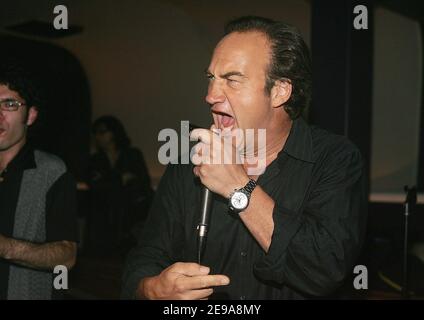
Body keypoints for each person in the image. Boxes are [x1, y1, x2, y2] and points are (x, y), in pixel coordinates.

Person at [122, 16, 366, 299]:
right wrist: (152, 289)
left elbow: (324, 269)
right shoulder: (187, 161)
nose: (211, 95)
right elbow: (145, 257)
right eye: (211, 78)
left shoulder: (335, 159)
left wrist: (239, 188)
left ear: (279, 91)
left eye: (232, 80)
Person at [0, 61, 78, 299]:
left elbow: (67, 257)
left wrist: (4, 247)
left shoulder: (51, 171)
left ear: (30, 116)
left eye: (9, 104)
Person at [85, 116, 153, 255]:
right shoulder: (95, 160)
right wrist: (120, 179)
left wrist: (109, 180)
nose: (98, 136)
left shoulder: (132, 154)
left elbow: (143, 183)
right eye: (96, 133)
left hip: (131, 216)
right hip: (105, 218)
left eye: (102, 132)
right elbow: (94, 186)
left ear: (114, 133)